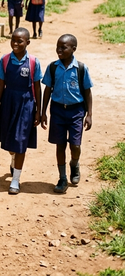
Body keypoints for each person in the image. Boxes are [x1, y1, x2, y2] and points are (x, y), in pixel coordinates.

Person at [41, 34, 93, 194]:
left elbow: (87, 92)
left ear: (73, 49)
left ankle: (74, 164)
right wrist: (43, 112)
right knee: (60, 144)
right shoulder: (53, 67)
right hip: (57, 110)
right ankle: (62, 178)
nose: (59, 50)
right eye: (58, 47)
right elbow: (47, 89)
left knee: (75, 145)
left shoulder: (81, 68)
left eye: (63, 47)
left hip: (76, 111)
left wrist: (89, 114)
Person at [0, 28, 42, 195]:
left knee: (21, 142)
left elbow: (37, 87)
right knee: (10, 142)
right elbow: (1, 84)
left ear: (28, 42)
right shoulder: (5, 60)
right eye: (13, 40)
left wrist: (38, 110)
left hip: (26, 104)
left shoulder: (33, 62)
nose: (15, 43)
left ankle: (15, 180)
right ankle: (13, 158)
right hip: (8, 102)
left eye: (20, 41)